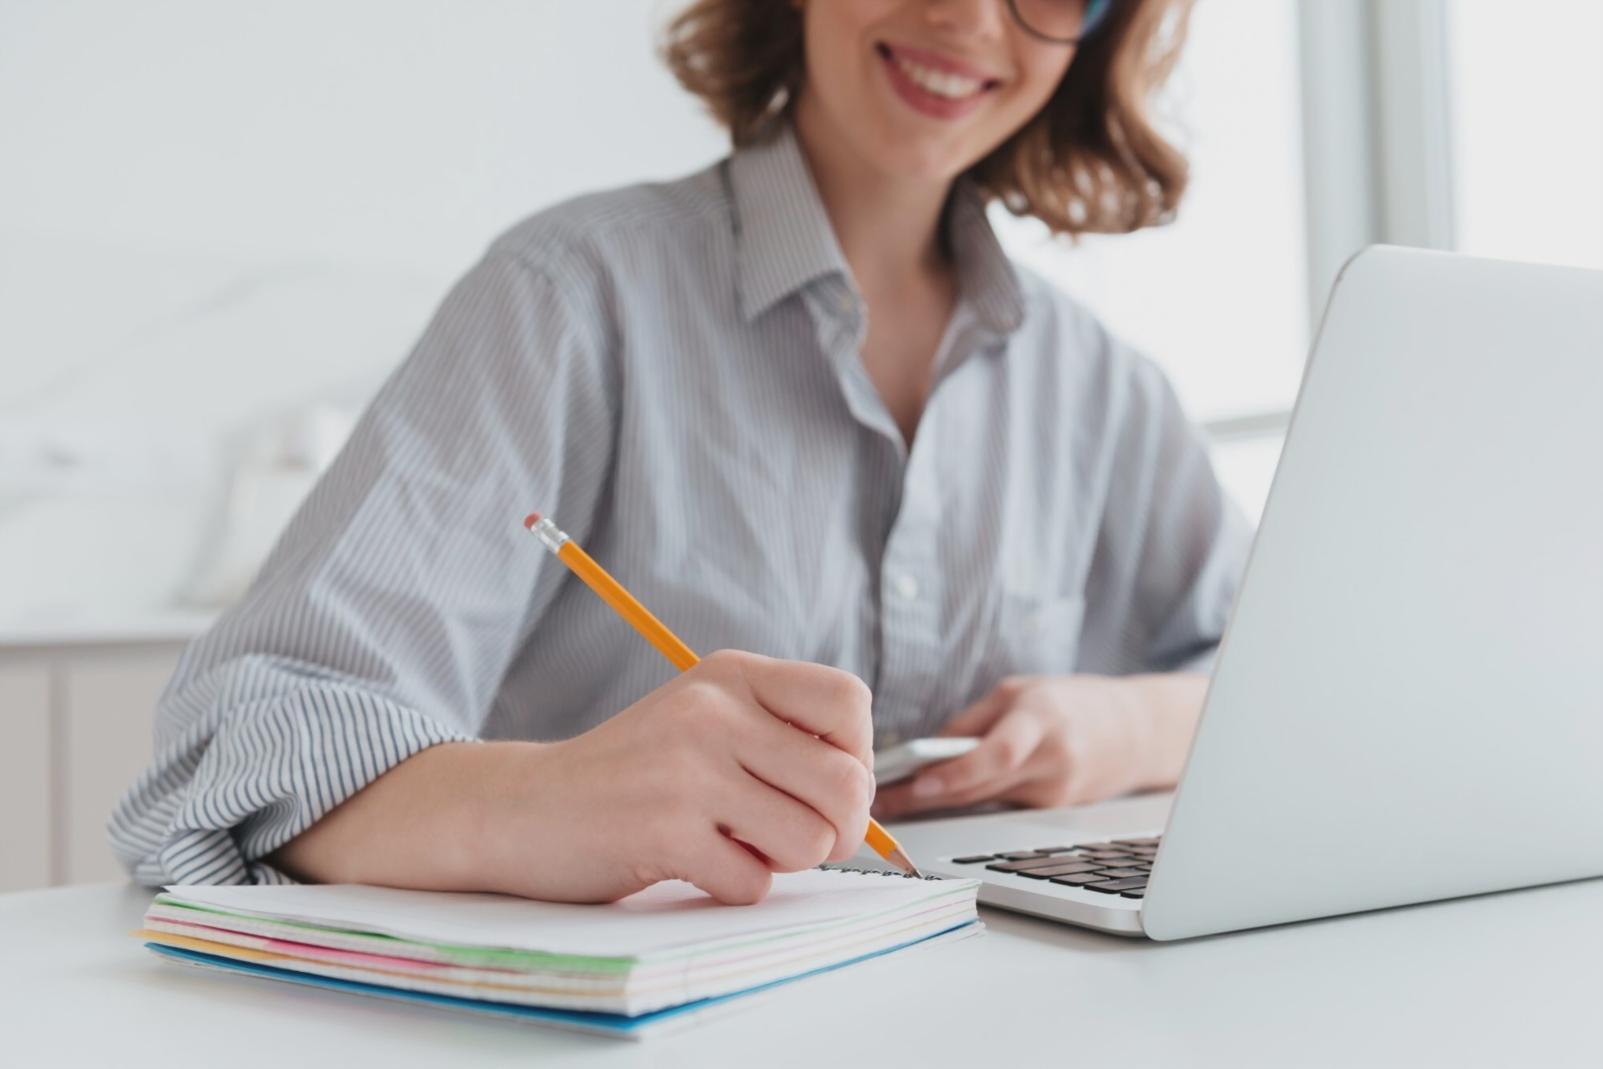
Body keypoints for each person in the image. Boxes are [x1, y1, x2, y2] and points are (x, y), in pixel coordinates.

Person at [109, 0, 1248, 906]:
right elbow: (235, 742)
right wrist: (549, 798)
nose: (969, 17)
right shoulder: (568, 293)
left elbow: (1278, 681)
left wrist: (1121, 727)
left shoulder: (1107, 389)